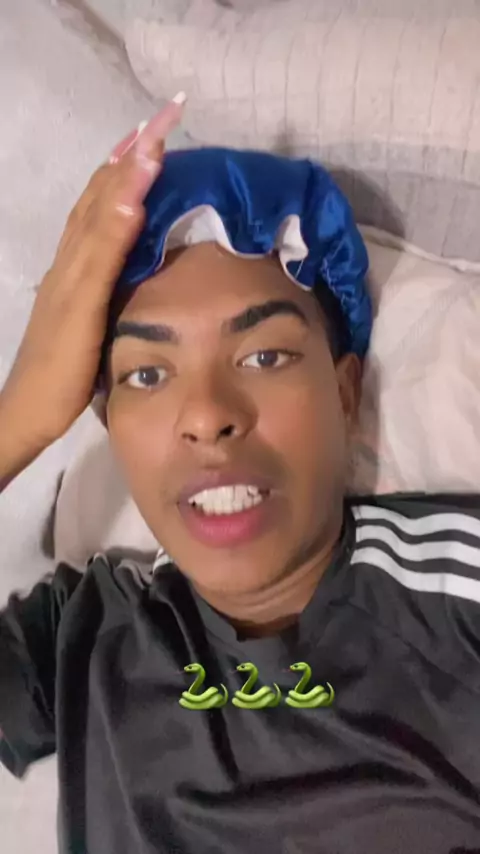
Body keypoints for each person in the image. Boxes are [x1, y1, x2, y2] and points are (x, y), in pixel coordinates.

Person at [1, 96, 480, 854]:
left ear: (345, 393)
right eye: (147, 374)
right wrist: (20, 416)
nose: (207, 415)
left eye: (264, 356)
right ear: (106, 423)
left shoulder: (459, 591)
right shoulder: (83, 639)